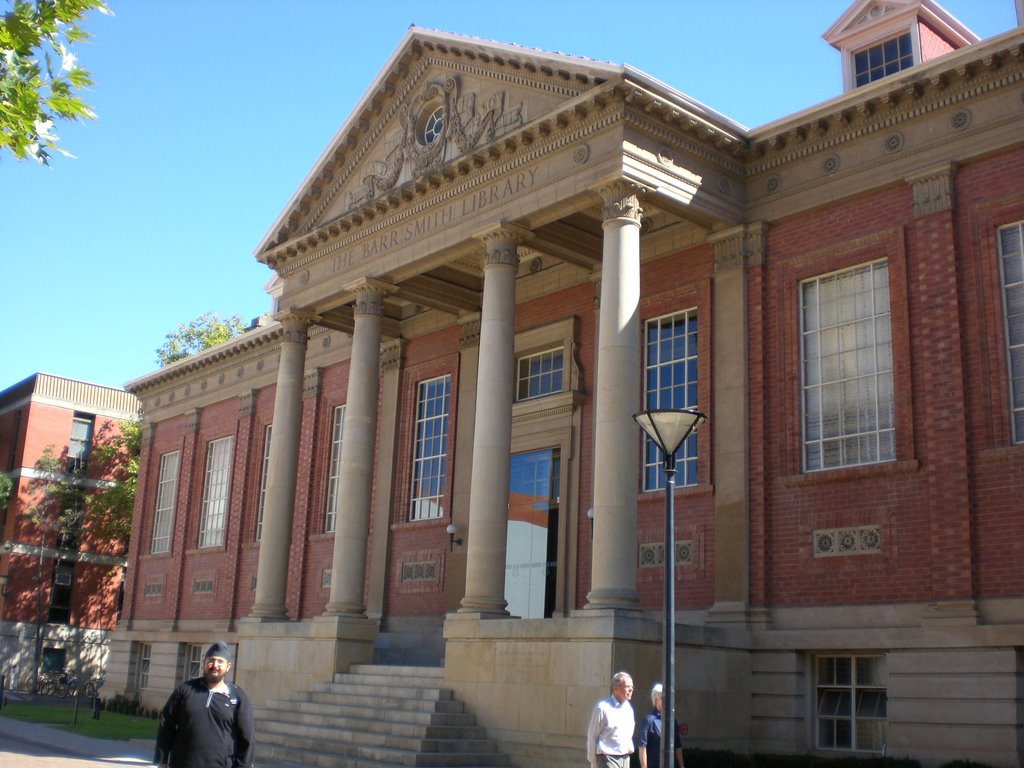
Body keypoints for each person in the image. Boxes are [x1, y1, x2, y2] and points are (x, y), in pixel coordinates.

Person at [155, 641, 255, 768]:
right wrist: (162, 760)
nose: (215, 665)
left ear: (228, 666)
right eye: (211, 660)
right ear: (204, 662)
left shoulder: (237, 697)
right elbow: (166, 725)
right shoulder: (185, 690)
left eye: (220, 662)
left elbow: (247, 738)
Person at [586, 671, 635, 768]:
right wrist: (593, 762)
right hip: (608, 757)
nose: (630, 689)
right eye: (627, 686)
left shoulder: (629, 709)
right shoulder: (602, 708)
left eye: (632, 687)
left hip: (625, 758)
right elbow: (592, 737)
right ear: (615, 688)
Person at [637, 682, 684, 768]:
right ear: (656, 700)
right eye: (663, 698)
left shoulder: (673, 721)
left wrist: (682, 766)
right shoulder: (649, 720)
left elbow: (677, 746)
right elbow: (642, 747)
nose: (666, 701)